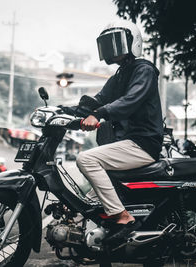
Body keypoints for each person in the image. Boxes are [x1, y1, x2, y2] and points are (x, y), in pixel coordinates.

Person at [76, 20, 163, 243]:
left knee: (86, 159)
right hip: (127, 143)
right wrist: (65, 111)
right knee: (88, 201)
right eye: (108, 44)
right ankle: (95, 244)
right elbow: (99, 101)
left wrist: (100, 113)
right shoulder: (121, 74)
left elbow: (130, 101)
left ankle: (123, 217)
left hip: (142, 143)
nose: (112, 49)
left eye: (116, 42)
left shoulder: (144, 70)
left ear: (132, 42)